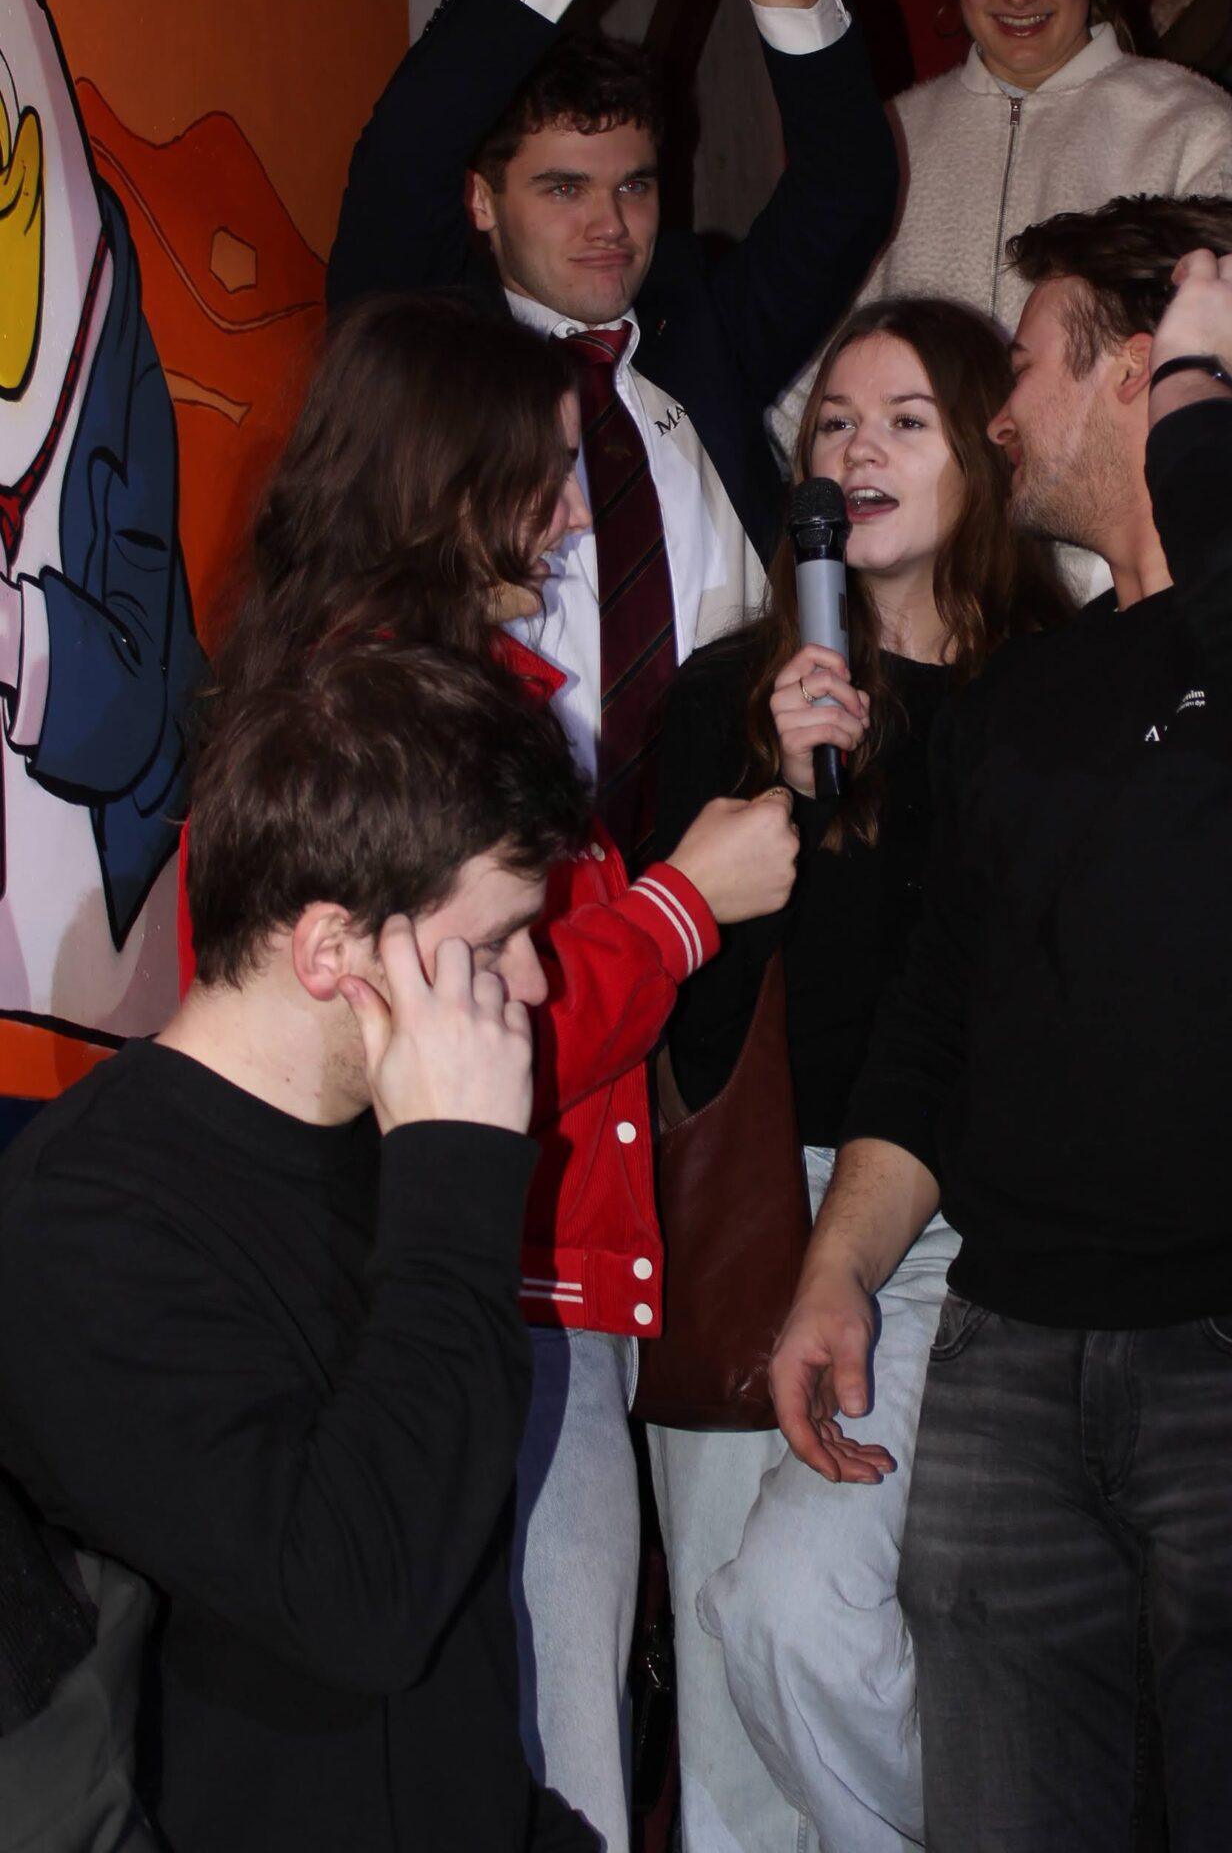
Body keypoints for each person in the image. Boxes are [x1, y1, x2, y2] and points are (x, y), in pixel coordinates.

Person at [772, 196, 1232, 1853]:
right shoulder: (1021, 695)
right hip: (1012, 1361)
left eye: (1029, 365)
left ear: (1140, 372)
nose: (998, 416)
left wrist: (1206, 390)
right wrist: (835, 1266)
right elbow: (937, 1019)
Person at [199, 293, 798, 1850]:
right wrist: (682, 906)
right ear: (447, 475)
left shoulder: (364, 692)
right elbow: (465, 1037)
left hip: (474, 1277)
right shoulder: (388, 721)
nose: (572, 513)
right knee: (545, 1762)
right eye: (544, 472)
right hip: (482, 1284)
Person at [0, 639, 599, 1853]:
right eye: (495, 941)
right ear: (329, 949)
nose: (533, 985)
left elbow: (454, 1638)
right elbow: (358, 1605)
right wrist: (455, 1187)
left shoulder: (400, 1138)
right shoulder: (85, 1223)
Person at [649, 297, 1069, 1853]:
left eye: (903, 420)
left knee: (816, 1615)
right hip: (749, 1215)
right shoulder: (721, 699)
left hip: (958, 1229)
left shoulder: (1052, 697)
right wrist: (768, 785)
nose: (858, 452)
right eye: (832, 423)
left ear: (986, 450)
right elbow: (675, 1030)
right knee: (728, 1694)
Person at [327, 0, 899, 866]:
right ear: (482, 202)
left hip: (732, 859)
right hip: (496, 872)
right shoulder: (429, 356)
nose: (610, 226)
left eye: (634, 186)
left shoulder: (704, 331)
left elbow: (849, 186)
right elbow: (403, 150)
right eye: (562, 189)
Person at [770, 0, 1232, 526]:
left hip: (1117, 571)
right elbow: (797, 385)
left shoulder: (1192, 126)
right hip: (919, 575)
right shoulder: (882, 142)